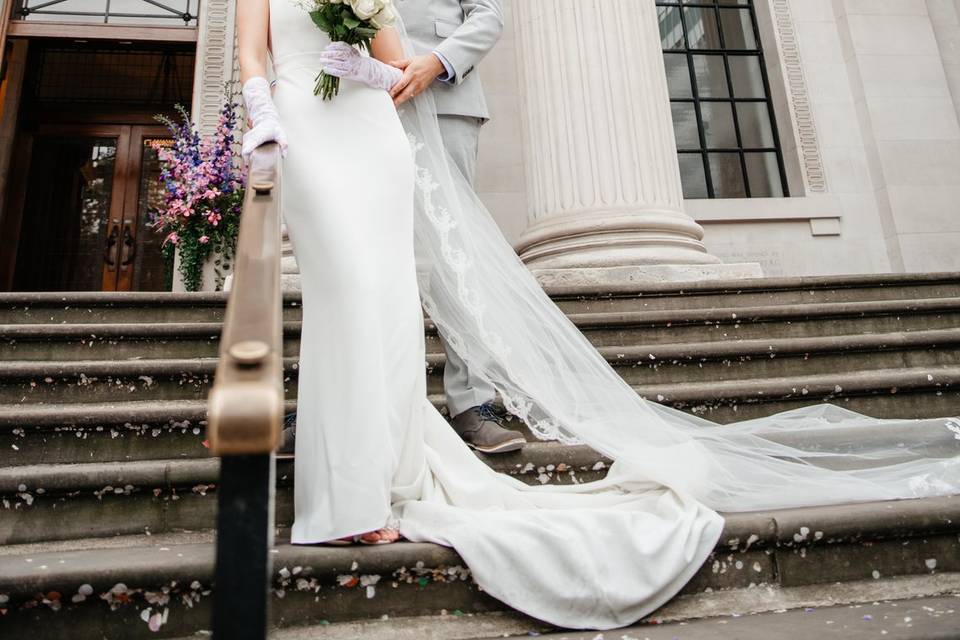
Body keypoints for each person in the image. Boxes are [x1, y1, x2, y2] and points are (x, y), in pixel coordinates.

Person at [237, 0, 960, 629]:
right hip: (314, 122)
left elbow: (442, 39)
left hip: (398, 113)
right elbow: (256, 53)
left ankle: (431, 430)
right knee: (356, 290)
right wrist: (266, 115)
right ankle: (342, 459)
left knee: (408, 288)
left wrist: (390, 61)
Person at [278, 0, 527, 457]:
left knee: (453, 252)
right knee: (350, 254)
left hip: (444, 98)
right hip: (353, 104)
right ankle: (330, 406)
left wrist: (438, 62)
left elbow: (489, 14)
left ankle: (473, 403)